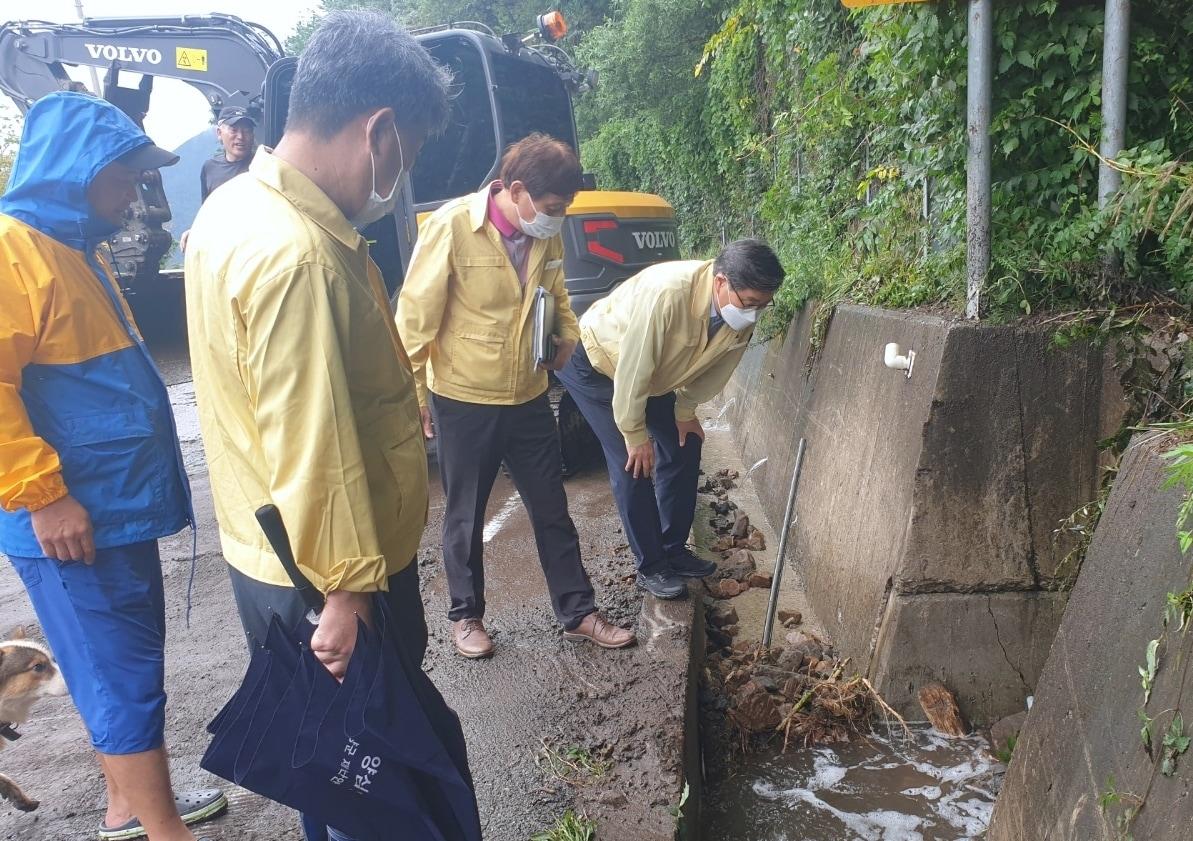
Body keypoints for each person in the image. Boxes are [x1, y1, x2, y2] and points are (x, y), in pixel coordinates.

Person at [183, 12, 475, 841]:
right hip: (326, 573)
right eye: (408, 152)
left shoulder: (231, 210)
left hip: (261, 548)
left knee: (330, 771)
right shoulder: (299, 253)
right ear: (378, 129)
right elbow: (314, 441)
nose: (400, 173)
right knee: (373, 778)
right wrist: (347, 593)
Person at [0, 92, 224, 841]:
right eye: (124, 176)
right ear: (78, 170)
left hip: (106, 508)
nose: (134, 194)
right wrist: (44, 494)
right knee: (121, 672)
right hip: (74, 515)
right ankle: (165, 830)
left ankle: (129, 805)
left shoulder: (75, 247)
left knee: (113, 667)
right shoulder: (13, 250)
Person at [397, 134, 635, 658]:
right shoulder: (453, 227)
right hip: (464, 397)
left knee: (552, 508)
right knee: (465, 512)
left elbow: (560, 296)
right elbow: (413, 320)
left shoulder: (542, 233)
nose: (558, 217)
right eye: (553, 207)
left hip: (528, 393)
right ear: (517, 189)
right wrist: (413, 393)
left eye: (564, 208)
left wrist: (567, 336)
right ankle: (466, 617)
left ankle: (578, 613)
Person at [556, 239, 785, 600]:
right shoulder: (668, 295)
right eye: (750, 303)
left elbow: (717, 369)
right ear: (721, 282)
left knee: (685, 442)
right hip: (597, 362)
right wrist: (634, 433)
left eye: (762, 306)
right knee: (632, 462)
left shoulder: (736, 314)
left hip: (654, 375)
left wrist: (684, 412)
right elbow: (634, 368)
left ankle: (672, 547)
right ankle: (651, 566)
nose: (754, 314)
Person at [178, 106, 256, 252]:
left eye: (246, 130)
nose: (241, 136)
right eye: (234, 130)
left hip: (253, 248)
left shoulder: (262, 164)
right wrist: (195, 231)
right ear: (219, 133)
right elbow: (207, 212)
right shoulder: (210, 168)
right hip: (221, 250)